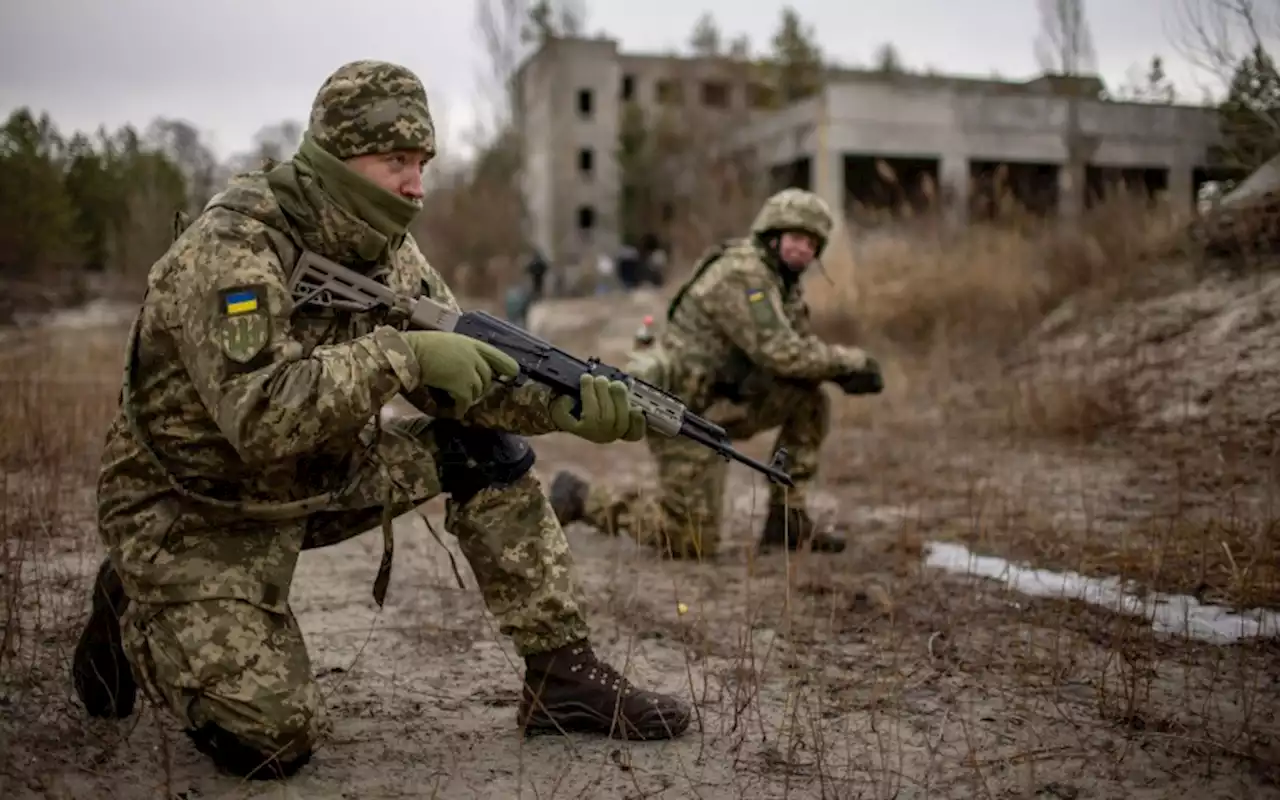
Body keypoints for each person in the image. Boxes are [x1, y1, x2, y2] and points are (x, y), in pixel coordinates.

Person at [71, 59, 692, 781]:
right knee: (269, 741)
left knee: (483, 448)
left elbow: (468, 382)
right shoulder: (235, 248)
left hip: (307, 481)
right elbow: (261, 417)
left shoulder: (385, 248)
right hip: (190, 505)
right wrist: (404, 355)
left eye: (422, 162)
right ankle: (132, 595)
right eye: (396, 160)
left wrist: (563, 404)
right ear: (336, 155)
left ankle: (562, 677)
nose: (415, 185)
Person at [548, 188, 884, 560]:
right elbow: (781, 352)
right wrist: (851, 363)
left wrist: (834, 368)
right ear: (773, 236)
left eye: (811, 243)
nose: (803, 249)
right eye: (796, 238)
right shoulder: (744, 274)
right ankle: (582, 498)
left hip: (722, 403)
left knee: (808, 399)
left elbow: (798, 351)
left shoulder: (781, 282)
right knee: (689, 542)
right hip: (679, 410)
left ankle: (787, 520)